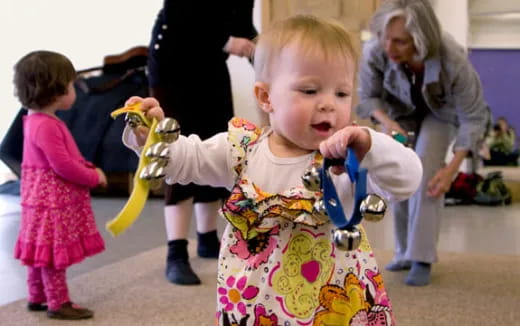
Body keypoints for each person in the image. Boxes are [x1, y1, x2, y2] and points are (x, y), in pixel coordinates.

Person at [123, 15, 422, 324]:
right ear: (266, 97)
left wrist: (370, 144)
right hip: (256, 307)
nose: (328, 104)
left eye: (342, 93)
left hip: (334, 306)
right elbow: (185, 161)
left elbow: (407, 180)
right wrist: (151, 137)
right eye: (309, 91)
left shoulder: (348, 158)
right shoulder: (241, 149)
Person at [356, 0, 491, 286]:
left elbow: (472, 116)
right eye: (386, 38)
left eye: (401, 42)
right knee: (399, 174)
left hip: (440, 115)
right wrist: (386, 123)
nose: (390, 48)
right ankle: (403, 252)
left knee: (428, 173)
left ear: (421, 40)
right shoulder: (376, 50)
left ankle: (421, 256)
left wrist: (451, 170)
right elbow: (368, 96)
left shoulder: (451, 56)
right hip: (397, 115)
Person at [147, 1, 258, 285]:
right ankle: (177, 252)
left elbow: (244, 28)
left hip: (210, 65)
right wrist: (226, 41)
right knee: (179, 151)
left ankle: (208, 238)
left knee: (217, 145)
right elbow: (180, 14)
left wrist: (268, 59)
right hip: (174, 66)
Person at [12, 51, 108, 319]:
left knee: (39, 250)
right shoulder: (47, 126)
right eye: (71, 86)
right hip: (52, 202)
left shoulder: (33, 119)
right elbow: (63, 165)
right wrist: (93, 177)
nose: (74, 90)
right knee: (53, 254)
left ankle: (37, 296)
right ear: (55, 92)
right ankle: (58, 302)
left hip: (38, 200)